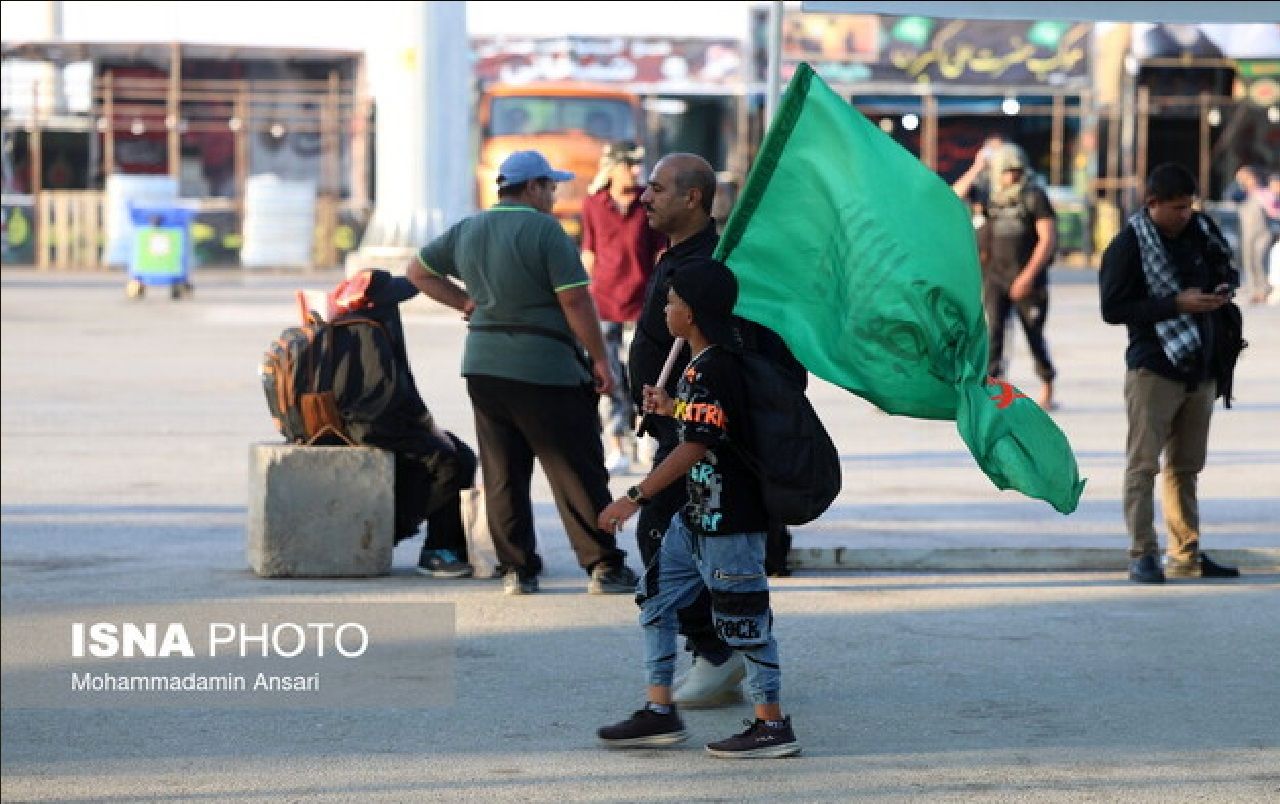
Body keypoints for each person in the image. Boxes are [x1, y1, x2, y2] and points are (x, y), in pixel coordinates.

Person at [406, 150, 639, 596]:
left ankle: (517, 570)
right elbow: (575, 301)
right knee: (576, 470)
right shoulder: (544, 231)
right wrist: (601, 360)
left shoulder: (468, 229)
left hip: (484, 370)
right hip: (546, 368)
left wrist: (464, 303)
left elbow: (418, 272)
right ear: (531, 187)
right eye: (550, 187)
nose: (554, 195)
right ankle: (604, 566)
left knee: (503, 473)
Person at [596, 259, 800, 758]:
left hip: (731, 522)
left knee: (744, 622)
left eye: (670, 302)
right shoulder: (702, 366)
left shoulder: (713, 367)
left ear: (691, 312)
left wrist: (634, 496)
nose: (665, 310)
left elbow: (696, 445)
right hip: (696, 520)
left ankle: (771, 724)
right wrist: (672, 409)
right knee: (656, 601)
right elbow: (712, 423)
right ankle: (659, 709)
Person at [628, 152, 798, 709]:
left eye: (655, 188)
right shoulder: (675, 253)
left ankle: (719, 656)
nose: (644, 197)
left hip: (703, 435)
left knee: (667, 532)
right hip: (677, 423)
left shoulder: (717, 266)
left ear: (692, 197)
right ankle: (728, 657)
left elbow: (744, 349)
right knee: (688, 544)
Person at [1099, 162, 1241, 584]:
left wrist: (1220, 291)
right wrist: (1175, 305)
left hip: (1201, 365)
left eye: (1189, 206)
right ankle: (1143, 553)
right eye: (1177, 208)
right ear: (1152, 204)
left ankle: (1186, 552)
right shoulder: (1128, 245)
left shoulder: (1201, 231)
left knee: (1186, 468)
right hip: (1154, 368)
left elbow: (1226, 268)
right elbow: (1113, 309)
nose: (1184, 214)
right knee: (1143, 466)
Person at [581, 141, 665, 476]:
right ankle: (616, 443)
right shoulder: (594, 203)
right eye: (630, 164)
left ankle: (647, 434)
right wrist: (581, 297)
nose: (636, 171)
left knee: (644, 374)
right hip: (603, 303)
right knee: (608, 376)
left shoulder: (649, 200)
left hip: (642, 303)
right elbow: (589, 252)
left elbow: (660, 251)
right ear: (613, 167)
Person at [977, 142, 1059, 410]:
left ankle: (1047, 385)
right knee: (994, 334)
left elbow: (1047, 239)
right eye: (1005, 170)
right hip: (995, 278)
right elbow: (981, 231)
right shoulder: (991, 197)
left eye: (1016, 170)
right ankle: (992, 389)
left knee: (1034, 335)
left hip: (1028, 278)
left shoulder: (1034, 196)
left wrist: (1028, 276)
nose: (1011, 176)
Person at [1232, 165, 1273, 304]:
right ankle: (1254, 290)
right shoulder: (1241, 193)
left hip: (1262, 233)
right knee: (1248, 262)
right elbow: (1232, 196)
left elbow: (1274, 208)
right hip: (1247, 234)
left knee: (1259, 261)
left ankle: (1263, 289)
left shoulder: (1263, 192)